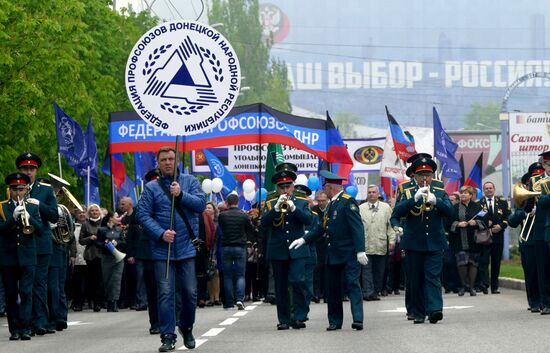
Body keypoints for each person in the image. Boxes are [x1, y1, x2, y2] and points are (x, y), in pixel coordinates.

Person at [137, 146, 205, 352]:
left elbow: (201, 205)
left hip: (187, 248)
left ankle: (187, 326)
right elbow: (143, 215)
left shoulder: (190, 181)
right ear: (158, 163)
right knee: (165, 294)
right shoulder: (151, 188)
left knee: (190, 292)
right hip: (162, 250)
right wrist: (160, 233)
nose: (168, 162)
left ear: (177, 161)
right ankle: (167, 336)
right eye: (164, 159)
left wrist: (181, 194)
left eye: (171, 159)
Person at [291, 169, 367, 331]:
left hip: (349, 254)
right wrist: (304, 239)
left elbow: (357, 227)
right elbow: (322, 227)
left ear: (331, 188)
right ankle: (335, 321)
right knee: (332, 289)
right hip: (333, 255)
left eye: (325, 188)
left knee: (352, 285)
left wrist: (360, 250)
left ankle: (358, 319)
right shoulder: (332, 204)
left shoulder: (348, 202)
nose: (324, 191)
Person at [390, 155, 453, 324]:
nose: (425, 178)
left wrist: (437, 201)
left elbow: (451, 212)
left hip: (434, 241)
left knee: (432, 277)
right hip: (413, 242)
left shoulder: (439, 189)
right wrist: (414, 199)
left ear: (433, 175)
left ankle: (435, 309)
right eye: (421, 175)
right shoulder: (407, 190)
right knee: (415, 279)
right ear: (415, 176)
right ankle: (418, 313)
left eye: (428, 174)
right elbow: (396, 213)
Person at [261, 163, 313, 330]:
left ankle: (299, 316)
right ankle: (283, 319)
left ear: (293, 185)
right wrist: (276, 209)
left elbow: (308, 220)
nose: (285, 189)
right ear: (277, 187)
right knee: (281, 286)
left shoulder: (302, 200)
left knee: (298, 281)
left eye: (288, 186)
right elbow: (263, 223)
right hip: (278, 250)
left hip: (297, 248)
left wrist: (294, 208)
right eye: (281, 186)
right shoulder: (270, 202)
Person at [16, 152, 59, 336]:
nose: (28, 172)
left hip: (41, 243)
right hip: (22, 244)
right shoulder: (15, 188)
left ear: (36, 170)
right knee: (25, 285)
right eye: (25, 168)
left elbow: (54, 216)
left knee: (39, 283)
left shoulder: (46, 190)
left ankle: (40, 321)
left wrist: (39, 204)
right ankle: (27, 321)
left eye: (31, 169)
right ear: (20, 170)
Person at [0, 173, 43, 340]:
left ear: (26, 190)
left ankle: (25, 328)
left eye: (21, 189)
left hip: (28, 256)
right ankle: (15, 329)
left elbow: (40, 230)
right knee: (11, 294)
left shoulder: (32, 206)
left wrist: (30, 218)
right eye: (14, 189)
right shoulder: (2, 207)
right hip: (8, 257)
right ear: (10, 190)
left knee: (26, 293)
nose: (18, 192)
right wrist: (12, 218)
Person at [128, 168, 160, 334]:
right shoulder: (144, 202)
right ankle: (155, 322)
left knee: (169, 289)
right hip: (149, 251)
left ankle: (171, 318)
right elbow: (136, 218)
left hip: (169, 248)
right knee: (153, 289)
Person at [448, 186, 487, 296]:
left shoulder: (478, 207)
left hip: (474, 240)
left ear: (471, 195)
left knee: (473, 263)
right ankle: (463, 286)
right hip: (459, 239)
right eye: (462, 193)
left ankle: (472, 287)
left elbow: (485, 221)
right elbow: (447, 222)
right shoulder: (454, 208)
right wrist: (458, 224)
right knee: (461, 263)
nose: (463, 195)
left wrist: (476, 223)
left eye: (466, 193)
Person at [218, 194, 254, 310]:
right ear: (238, 202)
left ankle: (229, 303)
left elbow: (222, 229)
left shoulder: (222, 216)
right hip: (240, 246)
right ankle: (239, 299)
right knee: (240, 275)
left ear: (227, 203)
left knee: (227, 276)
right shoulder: (243, 216)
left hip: (226, 246)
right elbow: (250, 230)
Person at [359, 185, 395, 301]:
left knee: (379, 270)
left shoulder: (386, 208)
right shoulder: (361, 208)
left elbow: (390, 226)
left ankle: (375, 290)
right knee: (366, 270)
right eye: (369, 192)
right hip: (366, 244)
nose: (371, 194)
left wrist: (392, 240)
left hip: (381, 244)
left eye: (374, 192)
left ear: (378, 194)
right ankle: (368, 292)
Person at [477, 181, 510, 294]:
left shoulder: (502, 202)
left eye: (490, 188)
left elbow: (508, 217)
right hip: (483, 235)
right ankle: (484, 284)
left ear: (494, 189)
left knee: (496, 262)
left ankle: (494, 287)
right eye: (486, 188)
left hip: (498, 236)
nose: (489, 190)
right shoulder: (478, 203)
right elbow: (475, 219)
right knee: (483, 261)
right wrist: (487, 225)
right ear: (483, 190)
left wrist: (501, 226)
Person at [528, 151, 550, 315]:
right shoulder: (535, 181)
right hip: (542, 228)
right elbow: (527, 205)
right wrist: (531, 207)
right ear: (544, 165)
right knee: (544, 267)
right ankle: (546, 302)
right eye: (548, 164)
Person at [97, 211, 126, 312]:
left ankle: (114, 302)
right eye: (116, 217)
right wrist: (105, 244)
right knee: (108, 279)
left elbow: (124, 242)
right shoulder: (101, 230)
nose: (118, 219)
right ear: (110, 218)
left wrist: (117, 242)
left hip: (118, 258)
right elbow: (98, 243)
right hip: (106, 258)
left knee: (116, 280)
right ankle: (109, 301)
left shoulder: (119, 229)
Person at [79, 204, 104, 312]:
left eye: (96, 210)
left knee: (101, 279)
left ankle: (101, 301)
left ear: (99, 212)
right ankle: (93, 301)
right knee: (92, 279)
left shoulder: (104, 222)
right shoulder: (85, 224)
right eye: (92, 211)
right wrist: (90, 238)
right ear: (89, 213)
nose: (94, 212)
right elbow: (81, 240)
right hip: (91, 255)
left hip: (103, 254)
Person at [311, 190, 329, 303]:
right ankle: (316, 294)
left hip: (328, 245)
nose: (321, 203)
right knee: (316, 271)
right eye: (319, 201)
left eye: (323, 201)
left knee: (327, 272)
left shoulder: (330, 209)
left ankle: (327, 295)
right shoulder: (313, 211)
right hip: (317, 245)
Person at [71, 208, 88, 312]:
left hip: (88, 257)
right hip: (77, 257)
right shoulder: (72, 226)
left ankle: (89, 300)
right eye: (79, 213)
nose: (81, 214)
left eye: (83, 212)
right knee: (77, 282)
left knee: (88, 281)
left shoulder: (89, 225)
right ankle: (78, 302)